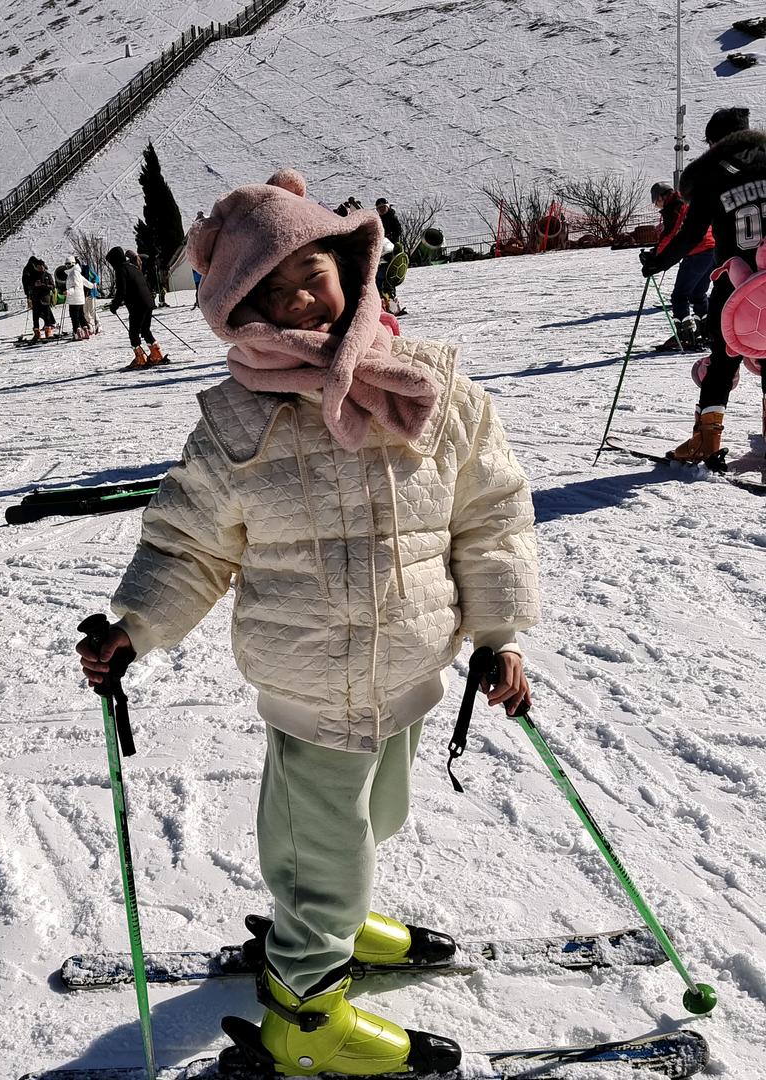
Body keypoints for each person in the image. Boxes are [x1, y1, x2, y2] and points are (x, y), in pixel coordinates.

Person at [78, 170, 539, 1076]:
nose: (303, 302)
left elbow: (490, 511)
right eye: (272, 294)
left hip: (413, 663)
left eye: (313, 274)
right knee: (321, 846)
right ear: (240, 316)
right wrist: (133, 624)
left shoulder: (431, 384)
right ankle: (306, 1012)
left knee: (371, 819)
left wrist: (499, 633)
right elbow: (189, 543)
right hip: (313, 679)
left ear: (352, 265)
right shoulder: (239, 421)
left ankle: (334, 909)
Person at [641, 106, 766, 458]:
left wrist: (657, 262)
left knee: (723, 362)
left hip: (736, 285)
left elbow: (689, 237)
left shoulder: (712, 177)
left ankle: (706, 441)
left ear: (715, 142)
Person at [646, 182, 715, 350]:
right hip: (711, 249)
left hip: (697, 252)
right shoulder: (687, 200)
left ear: (663, 196)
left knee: (679, 296)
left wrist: (656, 257)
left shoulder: (675, 206)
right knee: (698, 293)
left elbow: (670, 234)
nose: (657, 206)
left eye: (656, 202)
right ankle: (707, 331)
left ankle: (686, 335)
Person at [106, 245, 166, 369]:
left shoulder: (121, 270)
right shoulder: (133, 267)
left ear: (114, 260)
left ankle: (140, 358)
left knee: (133, 333)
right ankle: (156, 354)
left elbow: (122, 291)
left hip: (137, 305)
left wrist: (114, 306)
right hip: (147, 302)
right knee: (145, 330)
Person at [63, 255, 96, 341]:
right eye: (66, 264)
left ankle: (77, 334)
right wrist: (92, 286)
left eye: (68, 264)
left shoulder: (73, 273)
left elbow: (75, 286)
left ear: (72, 264)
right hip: (80, 300)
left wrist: (68, 292)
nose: (67, 266)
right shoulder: (77, 272)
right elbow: (85, 282)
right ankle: (86, 331)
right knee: (81, 315)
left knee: (74, 316)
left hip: (74, 299)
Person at [28, 271, 56, 341]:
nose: (40, 268)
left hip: (45, 299)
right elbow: (29, 287)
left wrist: (43, 285)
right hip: (35, 300)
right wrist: (34, 285)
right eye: (38, 267)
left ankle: (48, 331)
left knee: (47, 316)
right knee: (35, 317)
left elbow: (52, 286)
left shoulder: (47, 275)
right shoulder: (32, 275)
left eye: (41, 266)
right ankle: (37, 333)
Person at [82, 262, 102, 335]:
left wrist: (94, 283)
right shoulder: (75, 272)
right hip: (82, 295)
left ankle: (98, 324)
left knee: (92, 310)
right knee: (85, 312)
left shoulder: (87, 269)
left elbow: (96, 277)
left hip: (90, 293)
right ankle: (90, 325)